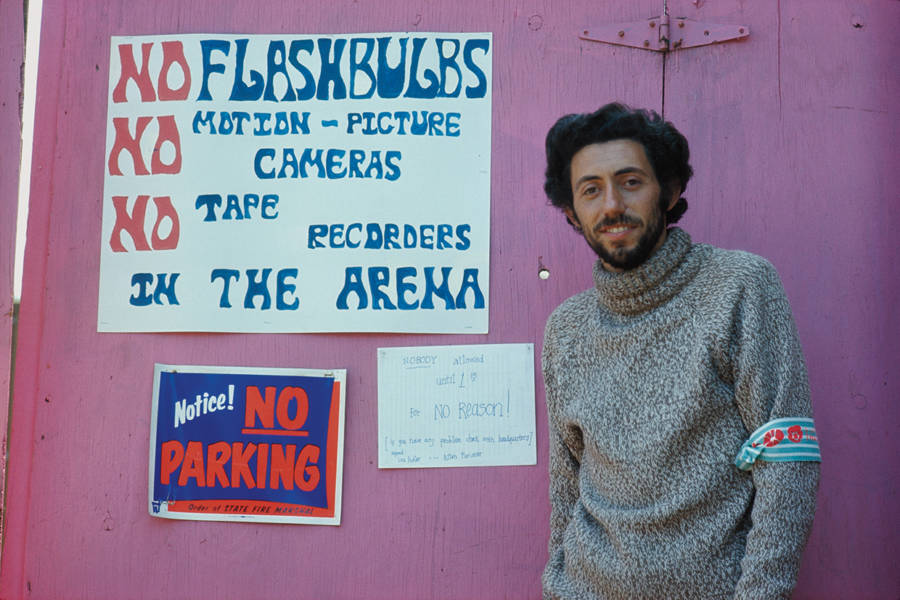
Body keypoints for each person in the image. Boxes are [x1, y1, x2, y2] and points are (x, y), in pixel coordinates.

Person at [540, 103, 820, 599]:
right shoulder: (566, 328)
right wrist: (558, 586)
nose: (611, 206)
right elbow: (568, 484)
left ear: (669, 192)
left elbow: (787, 459)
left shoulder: (739, 286)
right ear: (571, 214)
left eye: (630, 181)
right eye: (590, 190)